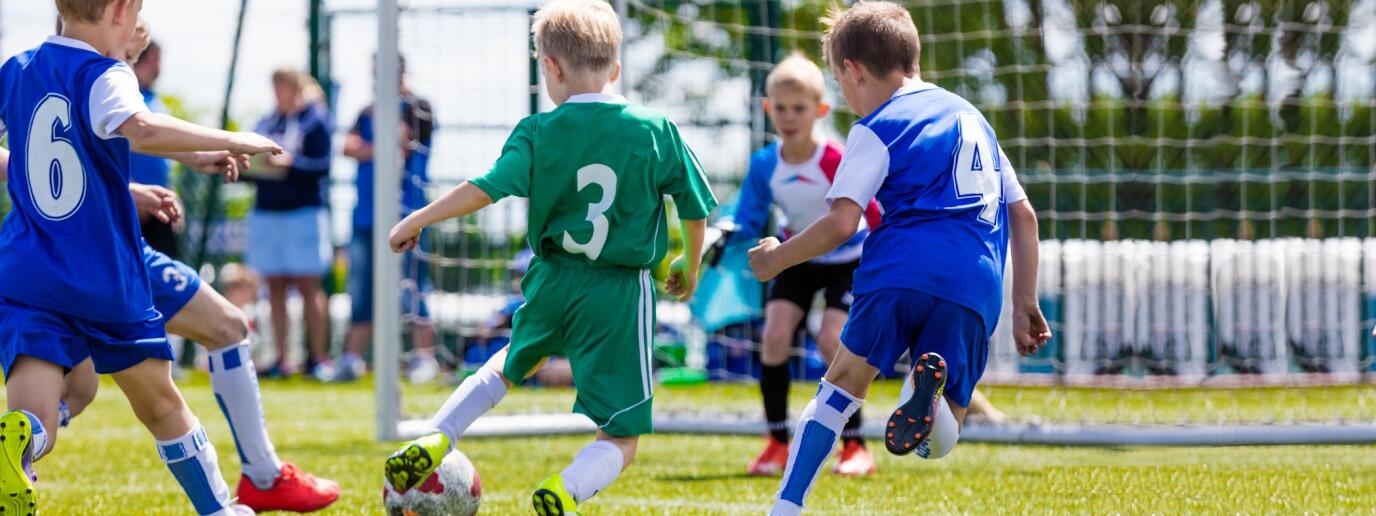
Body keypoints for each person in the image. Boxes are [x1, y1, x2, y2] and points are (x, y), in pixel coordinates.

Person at [380, 1, 717, 514]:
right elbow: (695, 207)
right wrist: (688, 266)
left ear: (551, 68)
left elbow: (484, 188)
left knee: (509, 363)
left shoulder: (536, 131)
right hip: (618, 290)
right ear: (616, 68)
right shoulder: (654, 129)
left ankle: (439, 434)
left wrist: (417, 220)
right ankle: (566, 489)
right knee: (621, 435)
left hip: (551, 277)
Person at [744, 2, 1051, 514]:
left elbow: (843, 223)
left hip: (900, 270)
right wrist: (1024, 302)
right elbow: (1024, 216)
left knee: (839, 389)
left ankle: (787, 506)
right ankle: (925, 395)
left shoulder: (877, 126)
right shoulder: (975, 120)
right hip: (975, 283)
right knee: (940, 439)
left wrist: (777, 260)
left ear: (853, 71)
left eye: (841, 84)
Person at [29, 29, 343, 514]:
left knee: (81, 391)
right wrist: (231, 139)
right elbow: (140, 128)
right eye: (131, 49)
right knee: (162, 396)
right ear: (114, 18)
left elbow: (86, 144)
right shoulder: (100, 72)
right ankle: (240, 492)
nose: (133, 63)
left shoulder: (28, 71)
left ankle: (23, 449)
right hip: (108, 256)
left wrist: (167, 169)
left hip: (40, 259)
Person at [732, 53, 881, 478]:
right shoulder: (765, 165)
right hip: (796, 255)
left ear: (820, 111)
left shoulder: (835, 159)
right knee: (774, 336)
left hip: (849, 259)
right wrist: (728, 233)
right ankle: (778, 442)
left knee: (832, 340)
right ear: (767, 109)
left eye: (799, 108)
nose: (788, 117)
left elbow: (871, 214)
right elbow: (746, 216)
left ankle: (855, 445)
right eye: (780, 108)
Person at [334, 57, 440, 383]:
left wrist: (376, 146)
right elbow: (348, 147)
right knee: (362, 288)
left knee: (413, 286)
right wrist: (378, 147)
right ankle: (350, 360)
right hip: (368, 216)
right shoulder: (366, 111)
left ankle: (425, 358)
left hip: (408, 214)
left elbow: (404, 143)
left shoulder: (419, 106)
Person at [247, 69, 334, 379]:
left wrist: (290, 163)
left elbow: (323, 165)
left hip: (304, 213)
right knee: (275, 287)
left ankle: (319, 359)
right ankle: (281, 359)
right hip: (268, 212)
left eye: (282, 86)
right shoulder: (266, 123)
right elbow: (248, 161)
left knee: (309, 285)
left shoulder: (316, 119)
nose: (278, 92)